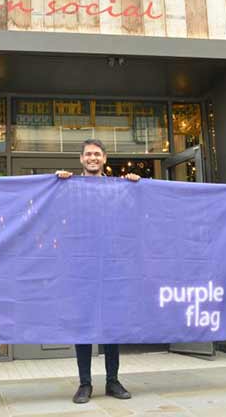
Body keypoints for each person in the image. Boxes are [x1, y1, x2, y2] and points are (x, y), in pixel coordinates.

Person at [55, 139, 139, 404]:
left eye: (97, 154)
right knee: (83, 326)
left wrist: (136, 186)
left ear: (104, 159)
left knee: (111, 325)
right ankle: (85, 384)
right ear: (81, 159)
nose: (92, 158)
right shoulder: (68, 188)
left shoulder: (119, 189)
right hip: (80, 266)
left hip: (112, 265)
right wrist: (57, 183)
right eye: (88, 154)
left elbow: (135, 215)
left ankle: (112, 381)